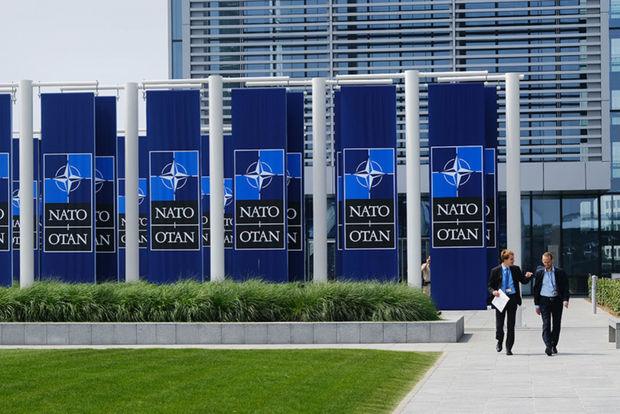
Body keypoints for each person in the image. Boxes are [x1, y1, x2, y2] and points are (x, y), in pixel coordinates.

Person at [488, 249, 532, 355]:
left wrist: (527, 277)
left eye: (513, 259)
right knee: (499, 325)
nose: (513, 261)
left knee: (511, 325)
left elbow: (523, 281)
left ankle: (509, 348)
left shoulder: (516, 269)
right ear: (505, 259)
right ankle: (499, 340)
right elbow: (490, 286)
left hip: (512, 298)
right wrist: (493, 291)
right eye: (511, 259)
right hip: (501, 298)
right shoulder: (495, 270)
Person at [532, 252, 569, 356]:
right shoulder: (539, 273)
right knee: (546, 323)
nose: (546, 264)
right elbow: (536, 289)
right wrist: (537, 305)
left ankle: (553, 344)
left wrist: (565, 300)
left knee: (556, 324)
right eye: (544, 262)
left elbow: (565, 287)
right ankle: (548, 345)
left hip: (557, 300)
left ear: (552, 260)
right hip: (544, 300)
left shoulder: (560, 272)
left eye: (548, 262)